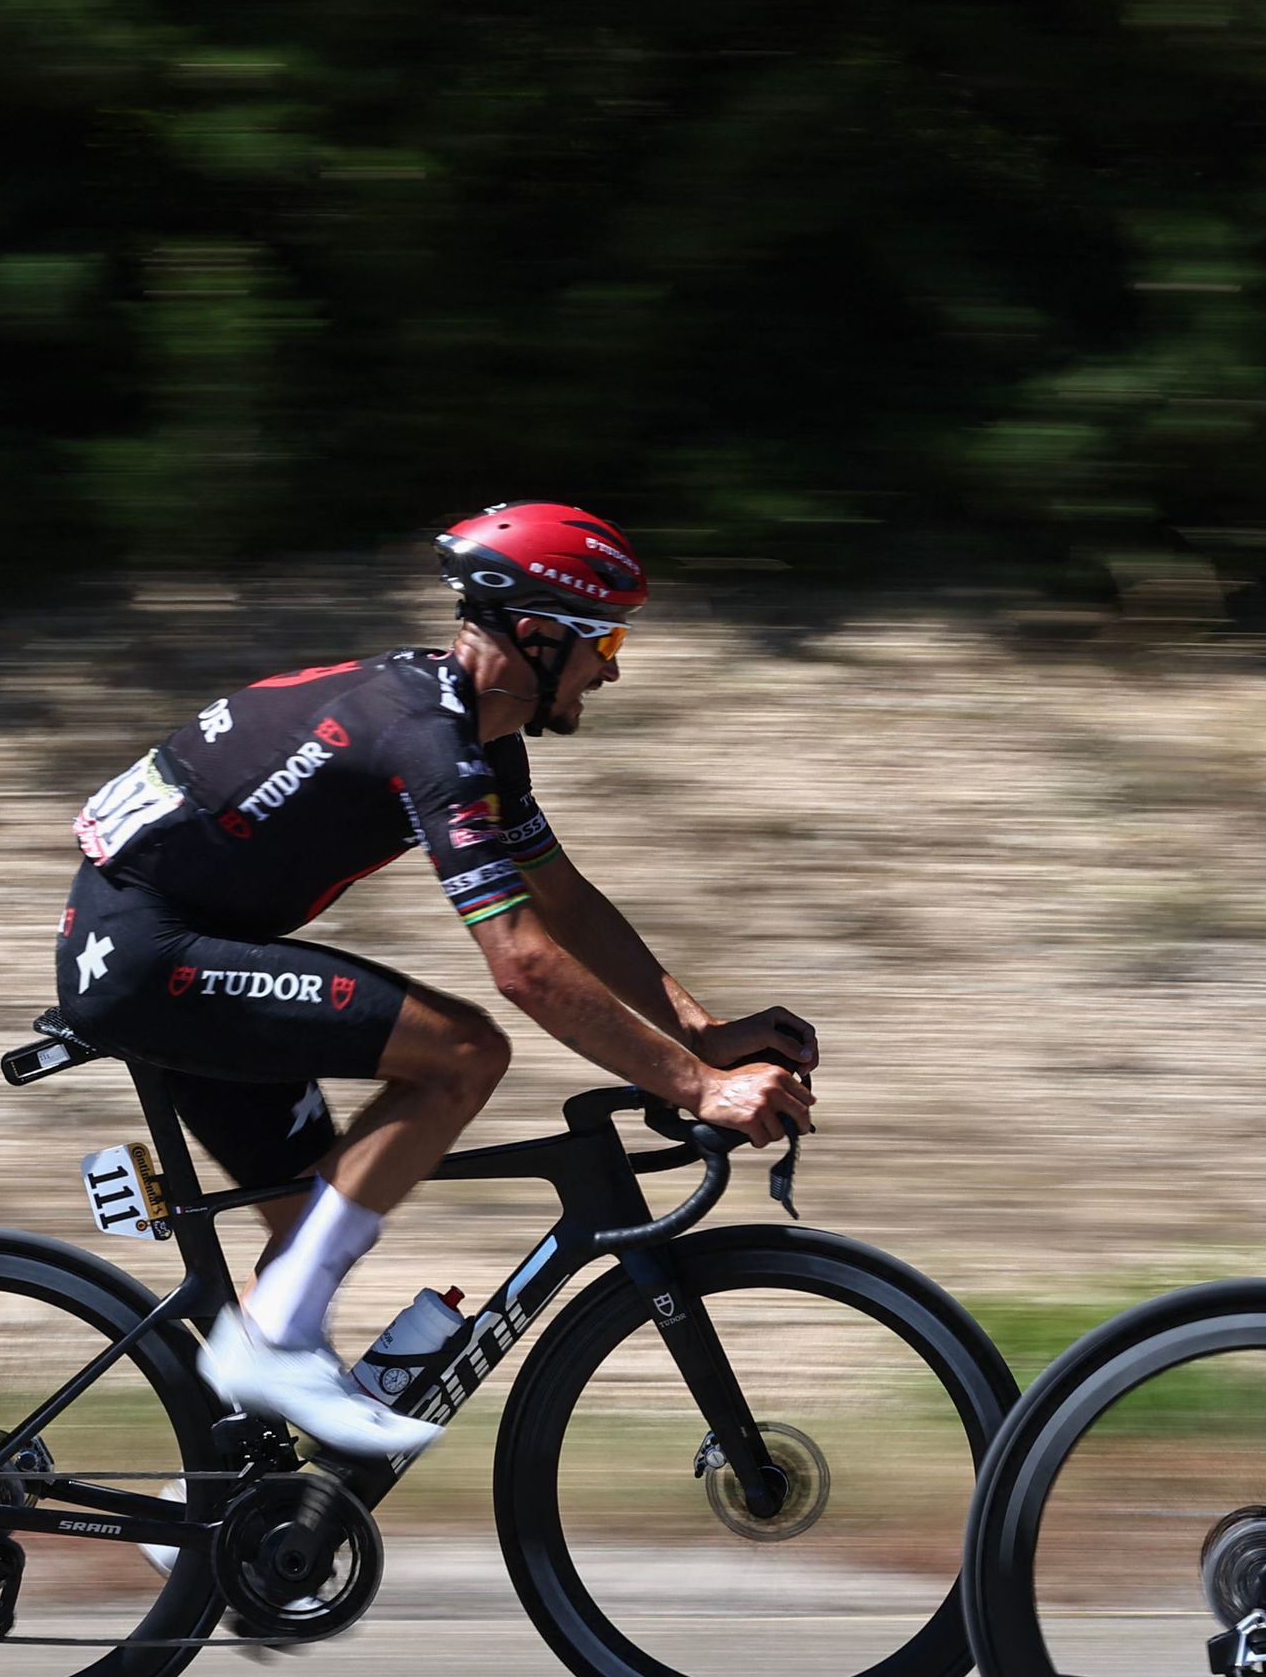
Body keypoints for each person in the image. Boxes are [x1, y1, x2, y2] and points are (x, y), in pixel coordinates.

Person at [53, 502, 815, 1456]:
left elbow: (563, 900)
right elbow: (526, 966)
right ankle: (267, 1351)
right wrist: (700, 1089)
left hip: (184, 941)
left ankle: (229, 1524)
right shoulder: (427, 738)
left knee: (314, 1233)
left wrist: (701, 1034)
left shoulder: (481, 735)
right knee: (462, 1054)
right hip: (149, 952)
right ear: (536, 637)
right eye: (606, 639)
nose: (613, 667)